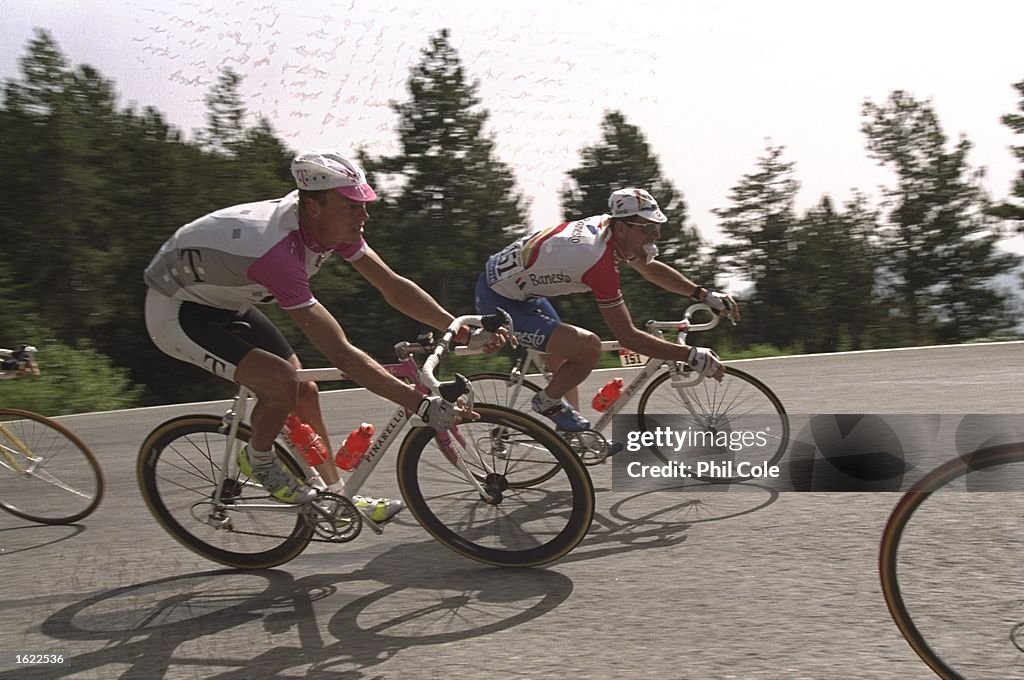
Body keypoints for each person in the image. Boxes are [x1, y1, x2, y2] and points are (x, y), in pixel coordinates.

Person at [144, 150, 505, 521]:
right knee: (281, 382)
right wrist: (421, 405)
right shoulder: (277, 253)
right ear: (314, 206)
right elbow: (341, 353)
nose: (363, 214)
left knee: (305, 390)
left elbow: (393, 287)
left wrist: (455, 328)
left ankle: (336, 498)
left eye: (363, 203)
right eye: (351, 206)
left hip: (225, 300)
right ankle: (259, 459)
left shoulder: (328, 227)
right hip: (178, 311)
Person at [475, 187, 739, 434]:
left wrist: (703, 294)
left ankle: (569, 441)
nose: (656, 236)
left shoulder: (609, 227)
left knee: (562, 362)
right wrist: (690, 354)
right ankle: (546, 403)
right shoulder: (597, 260)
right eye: (648, 228)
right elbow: (628, 338)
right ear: (622, 227)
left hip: (521, 290)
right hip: (499, 299)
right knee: (589, 347)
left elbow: (649, 268)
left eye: (657, 228)